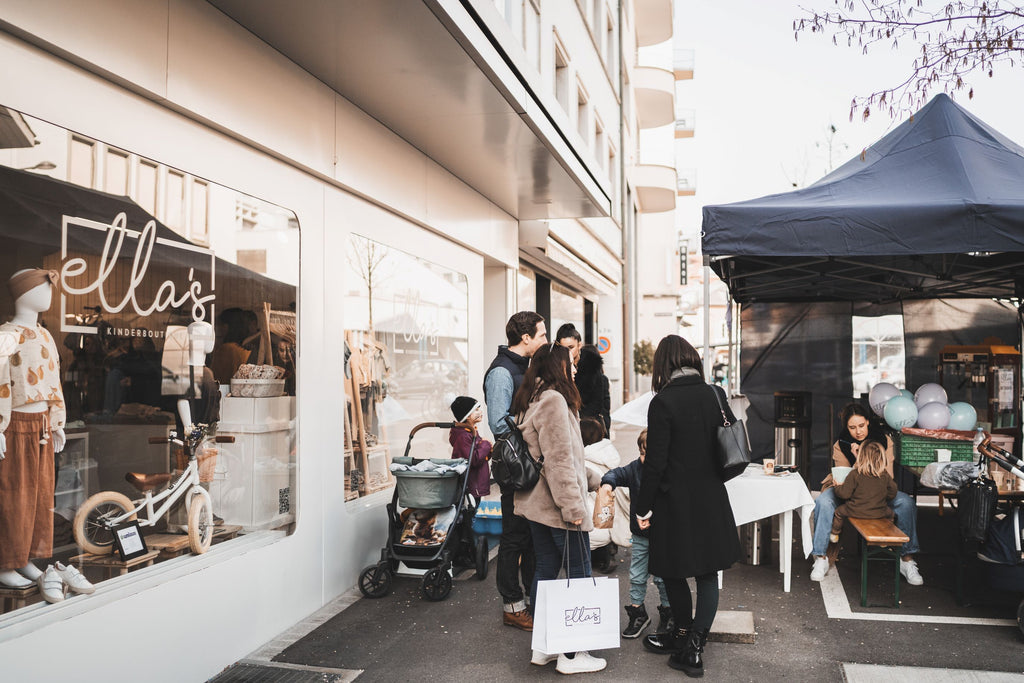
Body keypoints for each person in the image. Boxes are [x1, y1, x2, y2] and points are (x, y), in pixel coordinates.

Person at [634, 334, 741, 678]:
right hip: (711, 496)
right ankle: (691, 645)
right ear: (692, 359)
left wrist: (642, 506)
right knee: (708, 573)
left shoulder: (663, 402)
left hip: (674, 500)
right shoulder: (715, 393)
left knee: (672, 569)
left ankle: (683, 636)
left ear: (663, 365)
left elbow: (655, 463)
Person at [0, 269, 93, 602]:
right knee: (14, 496)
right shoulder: (6, 335)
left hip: (40, 427)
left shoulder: (45, 335)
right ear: (22, 293)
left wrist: (57, 422)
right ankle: (5, 562)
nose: (49, 292)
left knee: (40, 497)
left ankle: (25, 559)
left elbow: (53, 382)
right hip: (14, 426)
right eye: (43, 286)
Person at [513, 344, 606, 675]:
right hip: (557, 507)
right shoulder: (553, 400)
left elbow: (561, 456)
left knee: (546, 572)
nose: (576, 369)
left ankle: (545, 646)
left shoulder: (534, 398)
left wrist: (595, 479)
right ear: (558, 367)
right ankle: (572, 654)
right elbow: (558, 459)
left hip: (539, 505)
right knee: (579, 576)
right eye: (571, 363)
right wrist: (573, 507)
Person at [810, 403, 923, 585]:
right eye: (852, 427)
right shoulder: (842, 444)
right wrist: (858, 462)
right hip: (848, 489)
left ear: (868, 422)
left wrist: (860, 459)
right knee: (823, 501)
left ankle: (907, 560)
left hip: (878, 490)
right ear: (846, 428)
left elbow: (887, 476)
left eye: (861, 426)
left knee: (906, 503)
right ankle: (820, 557)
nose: (858, 432)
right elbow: (845, 479)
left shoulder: (885, 441)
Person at [483, 311, 547, 631]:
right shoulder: (501, 372)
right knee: (514, 537)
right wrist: (529, 433)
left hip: (529, 465)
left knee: (531, 537)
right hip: (517, 467)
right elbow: (498, 423)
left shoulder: (525, 367)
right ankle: (512, 605)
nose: (545, 340)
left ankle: (533, 601)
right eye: (542, 335)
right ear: (526, 338)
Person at [599, 428, 674, 639]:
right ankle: (637, 612)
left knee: (662, 577)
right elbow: (615, 473)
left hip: (663, 536)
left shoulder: (671, 472)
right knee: (637, 575)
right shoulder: (635, 469)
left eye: (649, 455)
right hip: (641, 536)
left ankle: (668, 611)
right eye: (642, 454)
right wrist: (607, 484)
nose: (644, 459)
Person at [579, 417, 625, 575]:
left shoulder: (585, 463)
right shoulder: (609, 457)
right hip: (612, 522)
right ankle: (605, 551)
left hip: (593, 527)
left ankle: (588, 559)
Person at [830, 439, 897, 541]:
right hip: (879, 512)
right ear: (882, 458)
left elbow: (844, 494)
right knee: (891, 514)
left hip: (854, 511)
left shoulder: (854, 474)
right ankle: (886, 536)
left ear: (860, 457)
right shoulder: (884, 475)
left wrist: (837, 486)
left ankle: (834, 534)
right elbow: (893, 492)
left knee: (838, 512)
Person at [448, 395, 492, 502]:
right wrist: (486, 445)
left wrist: (487, 448)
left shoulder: (470, 432)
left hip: (475, 483)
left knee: (471, 511)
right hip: (472, 485)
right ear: (467, 416)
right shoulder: (464, 436)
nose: (480, 412)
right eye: (476, 410)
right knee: (470, 512)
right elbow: (473, 459)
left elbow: (480, 455)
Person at [575, 344, 611, 432]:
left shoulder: (576, 378)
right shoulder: (603, 379)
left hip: (582, 424)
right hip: (597, 426)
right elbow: (605, 406)